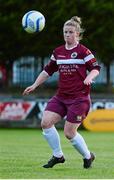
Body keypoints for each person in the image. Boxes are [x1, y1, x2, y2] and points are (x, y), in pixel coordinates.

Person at [23, 16, 100, 169]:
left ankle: (88, 156)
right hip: (61, 97)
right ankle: (58, 155)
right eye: (65, 32)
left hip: (79, 98)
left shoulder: (83, 51)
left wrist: (89, 78)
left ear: (77, 34)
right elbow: (48, 71)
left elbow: (96, 68)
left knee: (69, 133)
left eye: (71, 32)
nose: (67, 35)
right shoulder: (58, 52)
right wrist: (35, 85)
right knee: (45, 122)